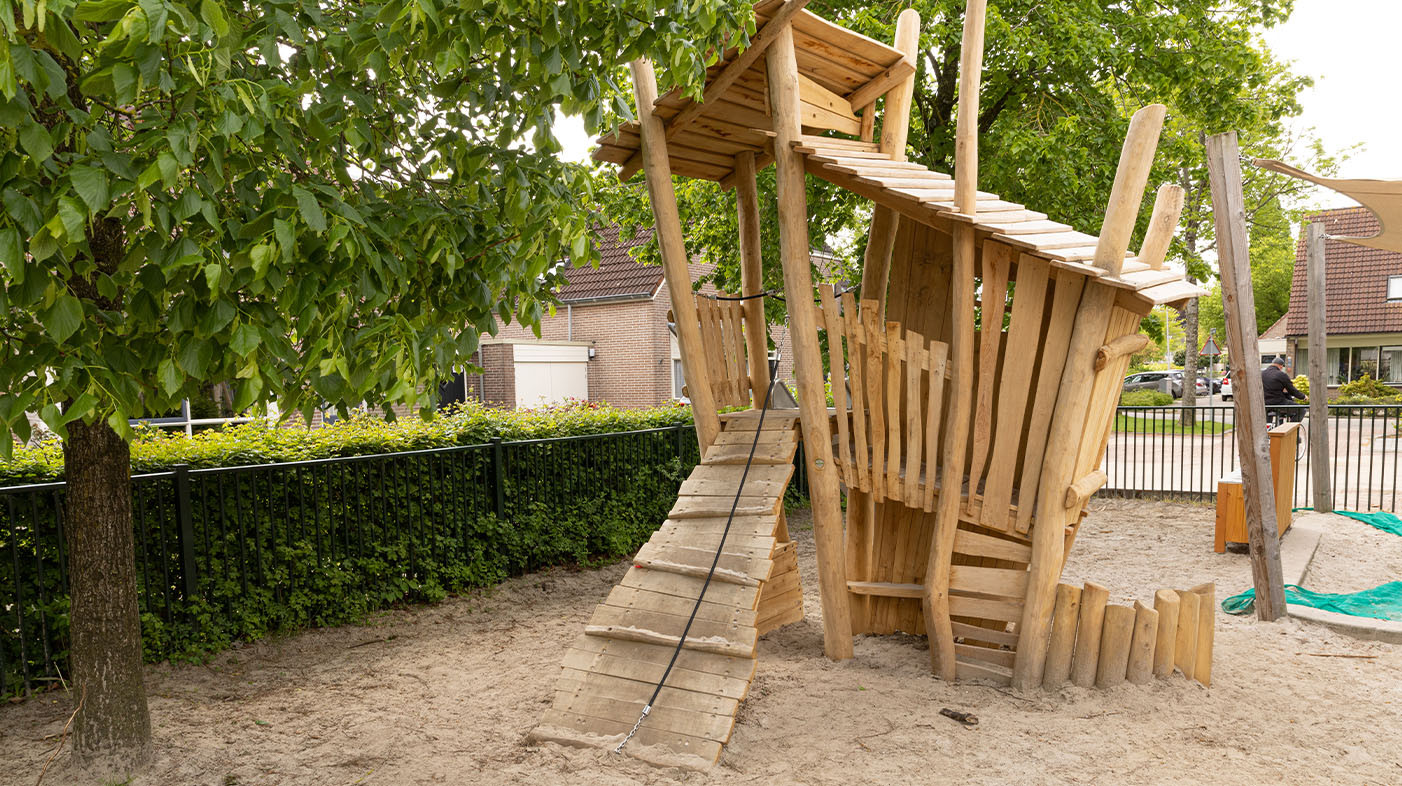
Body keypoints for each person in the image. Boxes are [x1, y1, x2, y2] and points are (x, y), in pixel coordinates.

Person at [1261, 355, 1306, 424]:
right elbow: (1292, 390)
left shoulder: (1261, 374)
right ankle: (1290, 431)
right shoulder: (1281, 375)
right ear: (1281, 366)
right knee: (1301, 410)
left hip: (1264, 404)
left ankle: (1267, 431)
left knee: (1267, 421)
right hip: (1278, 403)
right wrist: (1303, 397)